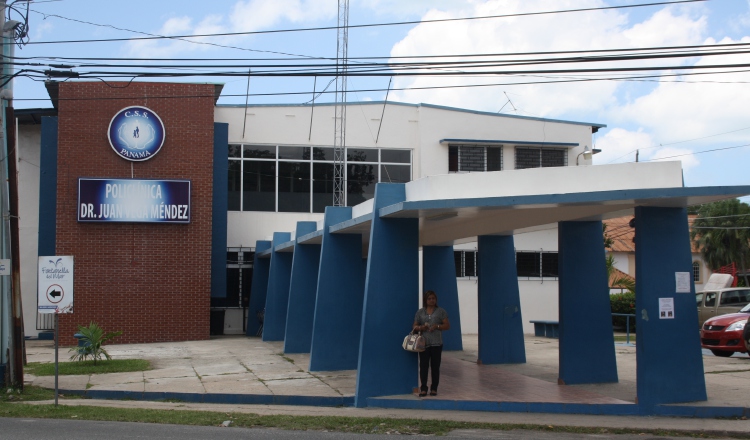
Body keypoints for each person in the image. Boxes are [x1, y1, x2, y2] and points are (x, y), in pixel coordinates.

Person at [412, 290, 450, 397]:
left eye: (433, 298)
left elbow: (447, 325)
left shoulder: (441, 311)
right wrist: (421, 328)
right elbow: (414, 326)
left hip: (436, 343)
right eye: (429, 299)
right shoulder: (420, 312)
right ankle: (423, 388)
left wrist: (437, 326)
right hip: (424, 343)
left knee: (435, 366)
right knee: (423, 366)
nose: (431, 300)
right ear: (425, 300)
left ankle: (434, 388)